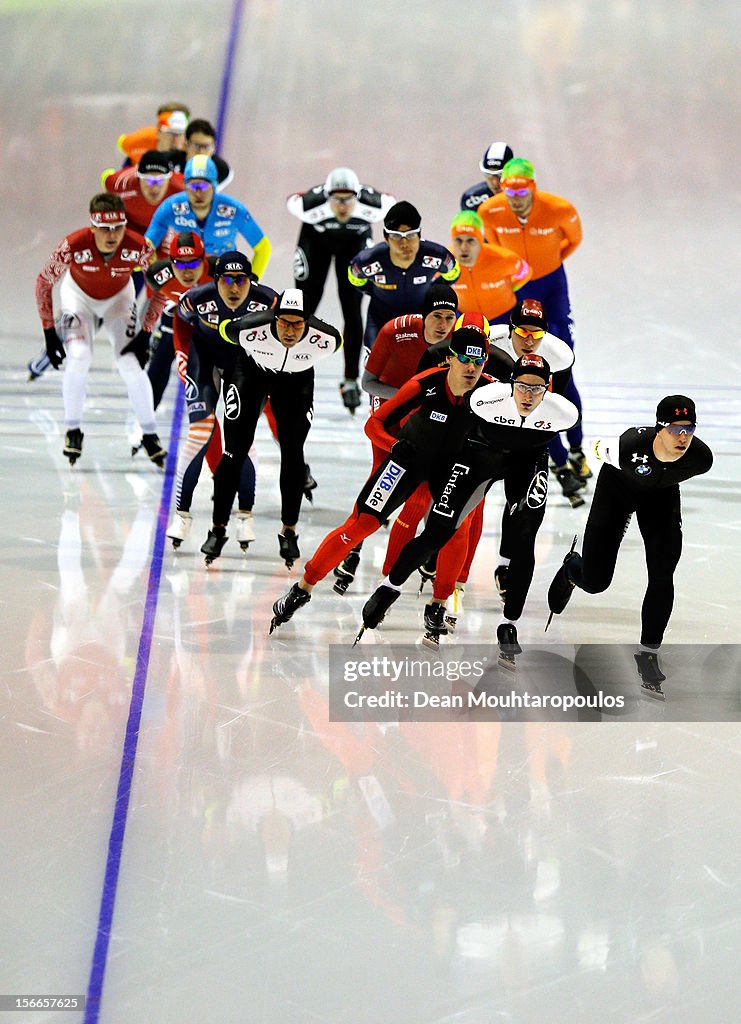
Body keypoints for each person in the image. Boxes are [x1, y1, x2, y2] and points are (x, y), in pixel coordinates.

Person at [269, 316, 492, 633]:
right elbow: (374, 424)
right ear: (451, 357)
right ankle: (302, 588)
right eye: (465, 359)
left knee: (458, 530)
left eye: (478, 361)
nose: (471, 369)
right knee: (361, 524)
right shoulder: (425, 384)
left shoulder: (491, 394)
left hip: (448, 470)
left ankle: (439, 604)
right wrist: (393, 446)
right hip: (406, 460)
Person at [360, 353, 579, 664]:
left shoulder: (562, 412)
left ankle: (509, 623)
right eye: (523, 387)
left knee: (525, 537)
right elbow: (451, 422)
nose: (529, 396)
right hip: (479, 455)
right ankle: (388, 588)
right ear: (510, 385)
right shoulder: (485, 399)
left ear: (549, 390)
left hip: (527, 462)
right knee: (438, 530)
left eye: (537, 389)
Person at [546, 395, 713, 698]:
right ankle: (572, 568)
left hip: (660, 498)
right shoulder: (627, 446)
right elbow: (597, 449)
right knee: (596, 582)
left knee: (663, 574)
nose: (684, 437)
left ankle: (648, 653)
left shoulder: (701, 459)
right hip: (616, 492)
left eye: (689, 429)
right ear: (659, 428)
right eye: (676, 429)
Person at [328, 282, 460, 595]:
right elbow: (368, 382)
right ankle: (351, 548)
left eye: (449, 317)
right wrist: (407, 397)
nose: (443, 325)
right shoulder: (394, 332)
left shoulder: (457, 342)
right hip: (390, 415)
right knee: (380, 482)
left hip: (426, 420)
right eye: (436, 317)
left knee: (424, 490)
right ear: (423, 315)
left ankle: (417, 556)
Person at [202, 289, 342, 567]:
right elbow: (223, 329)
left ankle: (289, 531)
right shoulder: (250, 327)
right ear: (273, 319)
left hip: (296, 382)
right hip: (250, 374)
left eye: (297, 324)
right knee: (234, 451)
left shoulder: (325, 338)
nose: (290, 331)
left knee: (293, 452)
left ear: (308, 323)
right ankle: (218, 528)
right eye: (284, 323)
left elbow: (338, 342)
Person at [479, 159, 589, 500]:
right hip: (517, 290)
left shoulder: (559, 209)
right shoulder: (489, 211)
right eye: (508, 189)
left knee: (561, 367)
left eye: (521, 190)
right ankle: (541, 441)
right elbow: (494, 248)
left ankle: (576, 447)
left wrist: (546, 264)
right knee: (522, 368)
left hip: (551, 287)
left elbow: (573, 241)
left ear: (532, 187)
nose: (514, 196)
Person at [35, 192, 166, 467]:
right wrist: (49, 332)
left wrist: (145, 333)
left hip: (119, 300)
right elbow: (44, 282)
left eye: (118, 228)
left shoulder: (139, 246)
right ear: (92, 227)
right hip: (77, 297)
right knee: (79, 356)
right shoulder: (73, 245)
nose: (112, 235)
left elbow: (160, 289)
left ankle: (151, 434)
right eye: (104, 229)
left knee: (131, 363)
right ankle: (72, 429)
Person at [167, 251, 278, 552]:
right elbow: (180, 321)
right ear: (215, 280)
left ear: (250, 281)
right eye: (227, 281)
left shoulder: (267, 301)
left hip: (244, 365)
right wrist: (181, 354)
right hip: (205, 362)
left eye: (241, 281)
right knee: (199, 434)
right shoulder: (196, 299)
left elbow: (282, 333)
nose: (234, 289)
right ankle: (182, 514)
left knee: (241, 440)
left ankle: (245, 515)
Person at [288, 166, 395, 413]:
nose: (343, 206)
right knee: (303, 307)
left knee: (352, 309)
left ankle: (350, 381)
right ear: (327, 198)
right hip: (315, 243)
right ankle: (292, 368)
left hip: (353, 245)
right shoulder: (309, 205)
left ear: (358, 196)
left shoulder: (375, 204)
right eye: (337, 200)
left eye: (348, 200)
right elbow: (291, 201)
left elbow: (392, 204)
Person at [493, 298, 586, 506]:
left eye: (536, 335)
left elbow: (554, 403)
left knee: (541, 409)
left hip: (533, 393)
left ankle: (567, 459)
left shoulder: (558, 356)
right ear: (510, 328)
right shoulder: (491, 340)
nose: (529, 341)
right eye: (522, 332)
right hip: (500, 398)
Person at [348, 201, 459, 348]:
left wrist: (433, 290)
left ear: (419, 235)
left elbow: (453, 274)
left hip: (421, 322)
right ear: (386, 239)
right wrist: (372, 291)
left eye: (411, 235)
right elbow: (355, 280)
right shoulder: (366, 261)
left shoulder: (438, 256)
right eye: (396, 236)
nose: (404, 243)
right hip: (381, 321)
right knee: (375, 369)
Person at [146, 155, 271, 278]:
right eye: (192, 186)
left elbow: (263, 248)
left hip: (223, 278)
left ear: (215, 186)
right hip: (187, 276)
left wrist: (251, 281)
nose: (198, 192)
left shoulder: (234, 210)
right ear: (184, 186)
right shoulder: (171, 207)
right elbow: (147, 246)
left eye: (204, 186)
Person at [449, 210, 530, 323]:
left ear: (481, 241)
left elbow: (526, 272)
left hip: (505, 316)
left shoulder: (504, 258)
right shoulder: (445, 261)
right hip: (468, 320)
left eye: (470, 240)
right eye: (458, 240)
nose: (464, 247)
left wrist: (511, 287)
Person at [166, 117, 233, 189]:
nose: (201, 151)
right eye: (196, 146)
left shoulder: (222, 170)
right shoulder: (168, 160)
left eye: (206, 147)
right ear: (186, 145)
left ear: (214, 148)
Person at [117, 104, 190, 166]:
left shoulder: (190, 150)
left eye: (180, 134)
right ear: (158, 132)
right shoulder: (137, 141)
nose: (175, 140)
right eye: (170, 133)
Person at [460, 140, 514, 212]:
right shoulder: (472, 200)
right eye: (488, 175)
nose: (495, 183)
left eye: (500, 175)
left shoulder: (526, 195)